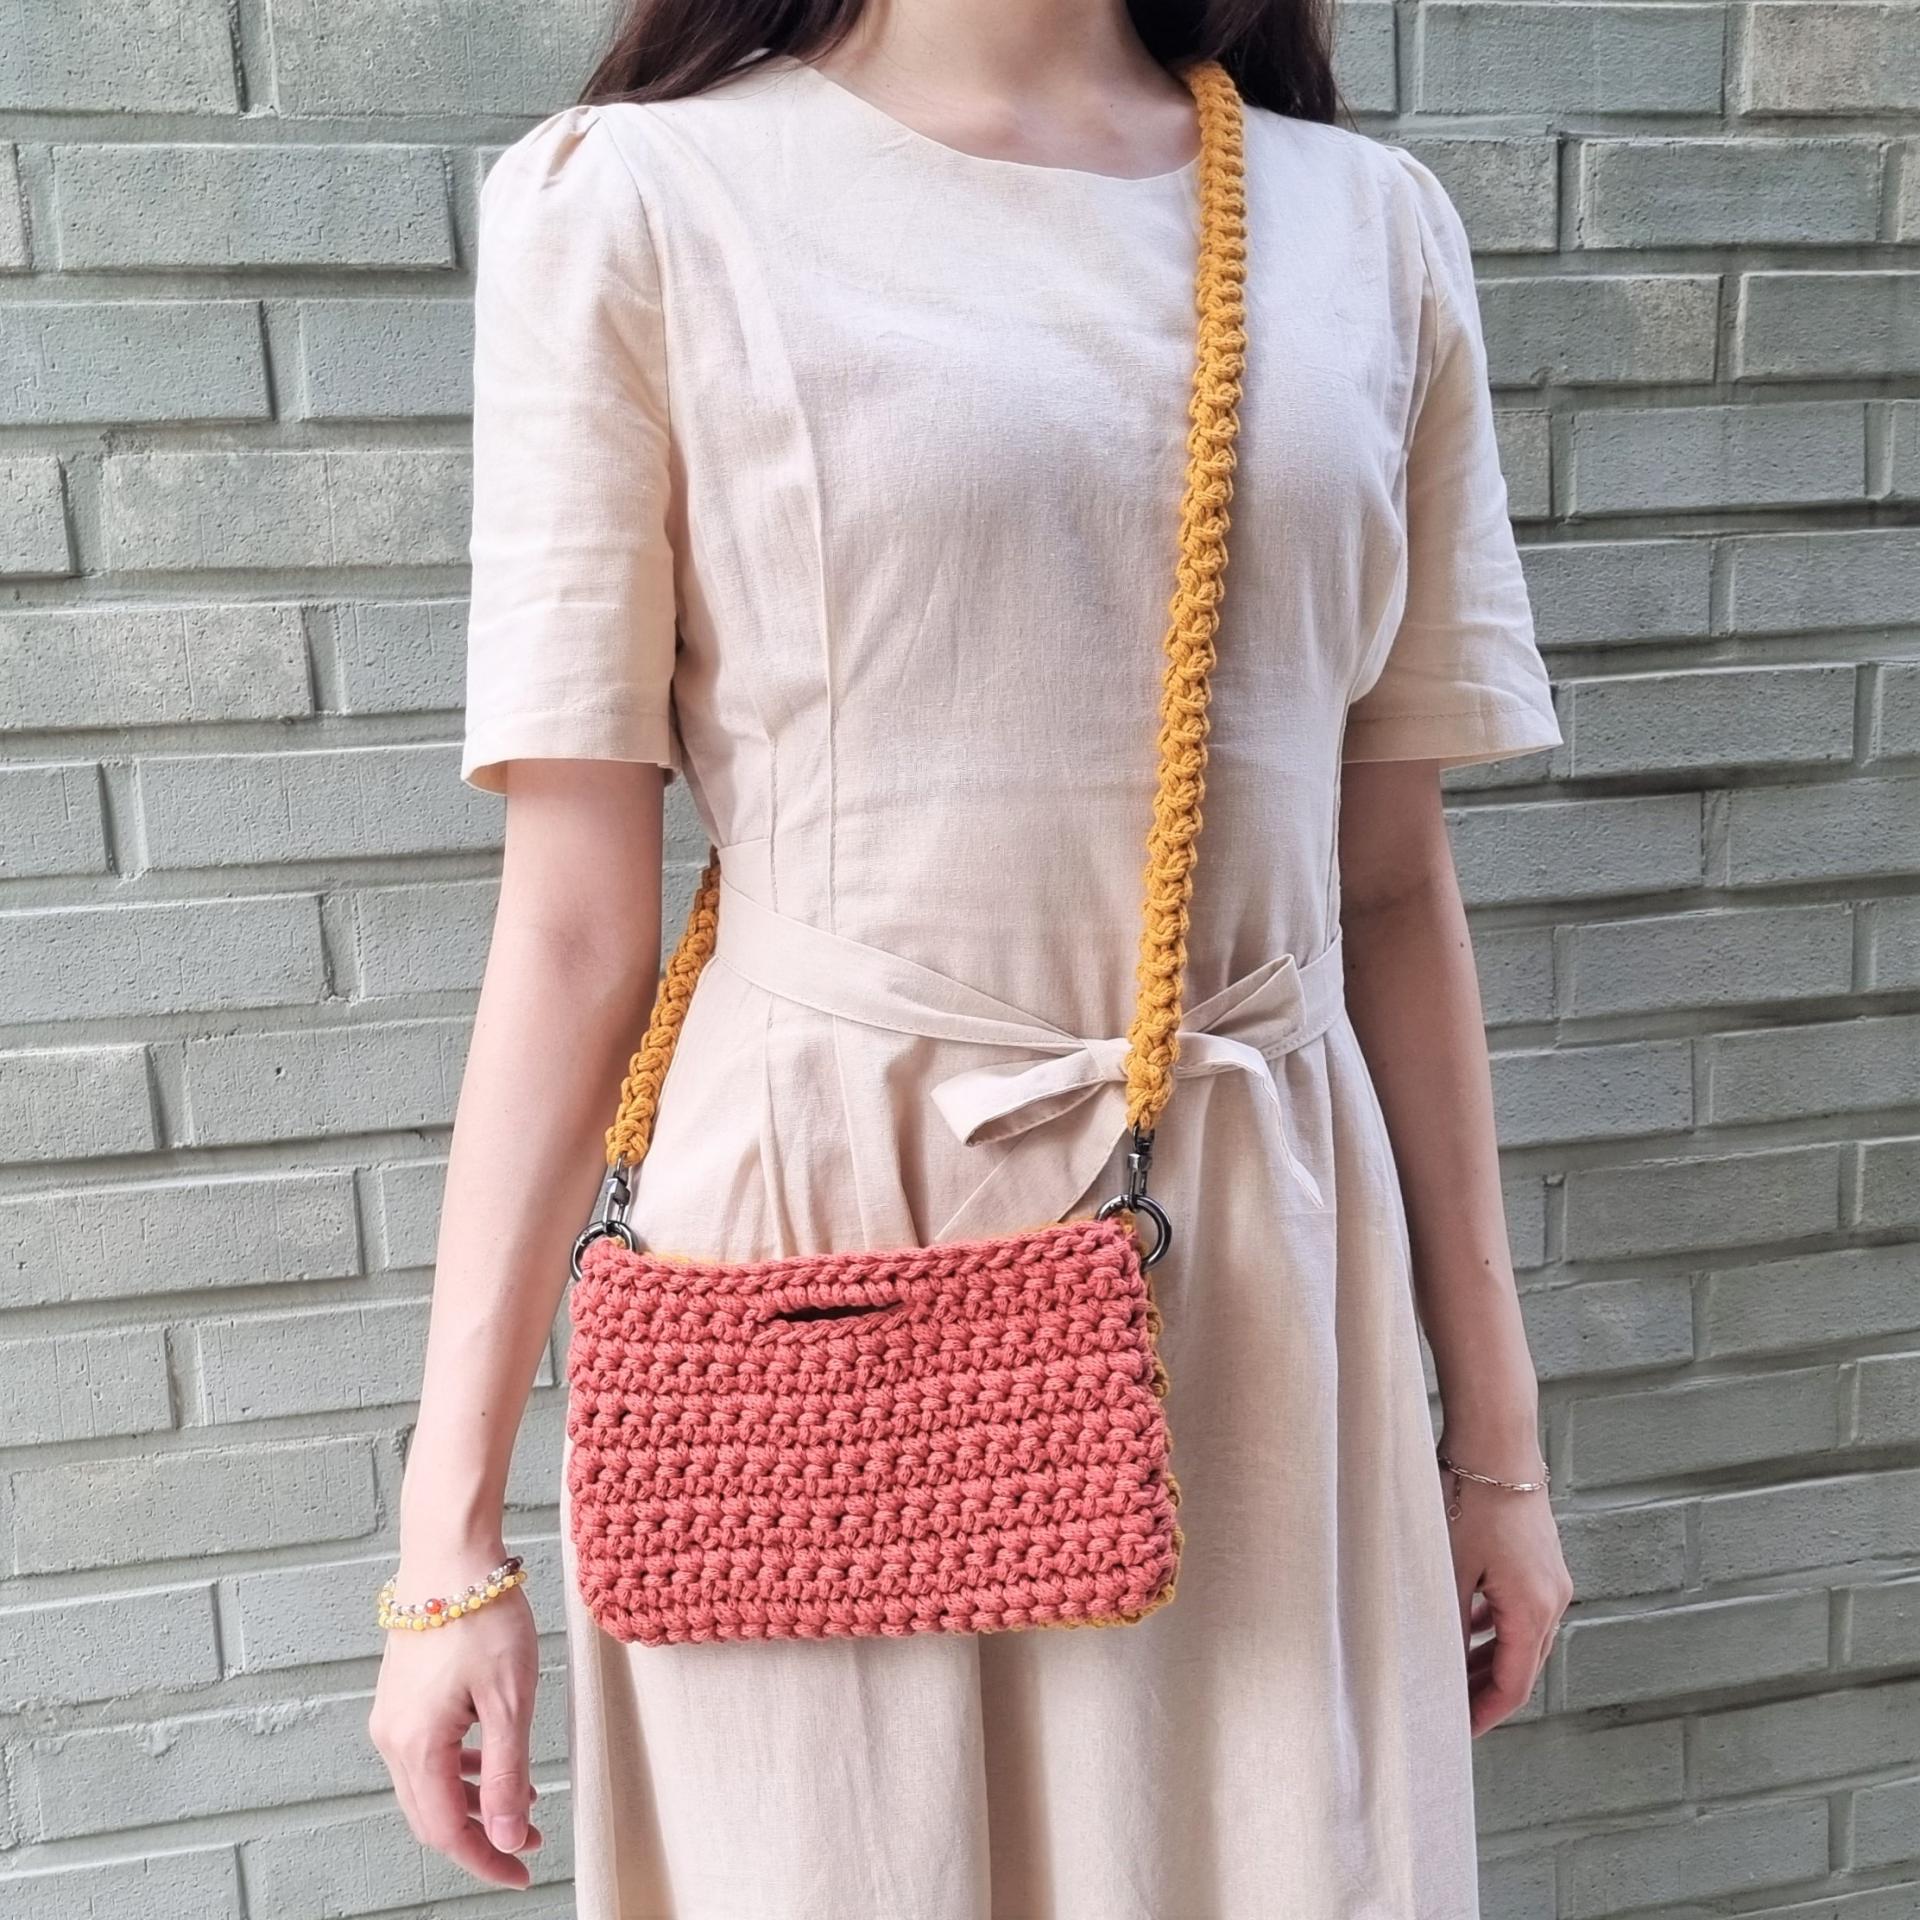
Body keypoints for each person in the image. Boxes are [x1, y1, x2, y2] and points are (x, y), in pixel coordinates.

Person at [367, 2, 1574, 1915]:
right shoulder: (642, 202)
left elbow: (1393, 891)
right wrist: (446, 1541)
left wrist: (1498, 1447)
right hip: (825, 1283)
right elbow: (577, 925)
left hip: (1262, 1286)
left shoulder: (1366, 229)